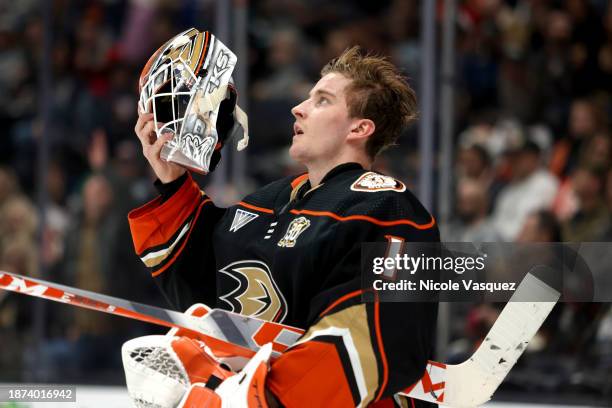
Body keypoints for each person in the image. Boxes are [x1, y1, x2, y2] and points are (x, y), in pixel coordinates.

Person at [129, 46, 439, 407]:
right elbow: (203, 287)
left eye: (322, 101)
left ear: (360, 127)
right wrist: (172, 183)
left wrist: (266, 398)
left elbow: (375, 332)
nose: (299, 107)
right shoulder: (271, 200)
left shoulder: (391, 208)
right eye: (308, 97)